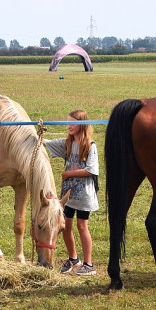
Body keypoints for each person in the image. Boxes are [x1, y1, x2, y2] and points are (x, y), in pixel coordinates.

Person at [45, 109, 99, 275]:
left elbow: (91, 169)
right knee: (66, 226)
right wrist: (38, 134)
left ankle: (88, 264)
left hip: (84, 195)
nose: (69, 125)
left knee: (82, 226)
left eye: (72, 122)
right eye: (67, 122)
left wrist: (68, 173)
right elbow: (46, 142)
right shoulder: (67, 143)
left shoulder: (90, 145)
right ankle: (73, 258)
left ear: (82, 125)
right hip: (68, 195)